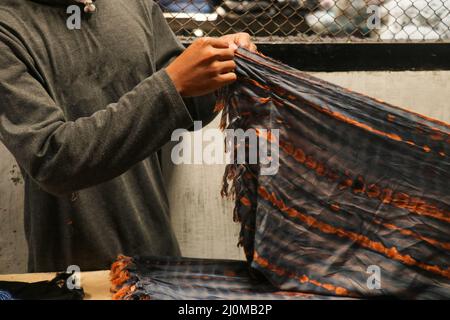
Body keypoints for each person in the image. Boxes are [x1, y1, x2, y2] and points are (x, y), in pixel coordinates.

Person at [0, 0, 256, 272]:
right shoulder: (8, 29)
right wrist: (172, 84)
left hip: (156, 262)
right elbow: (53, 160)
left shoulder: (134, 5)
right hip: (72, 274)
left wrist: (222, 66)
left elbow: (187, 109)